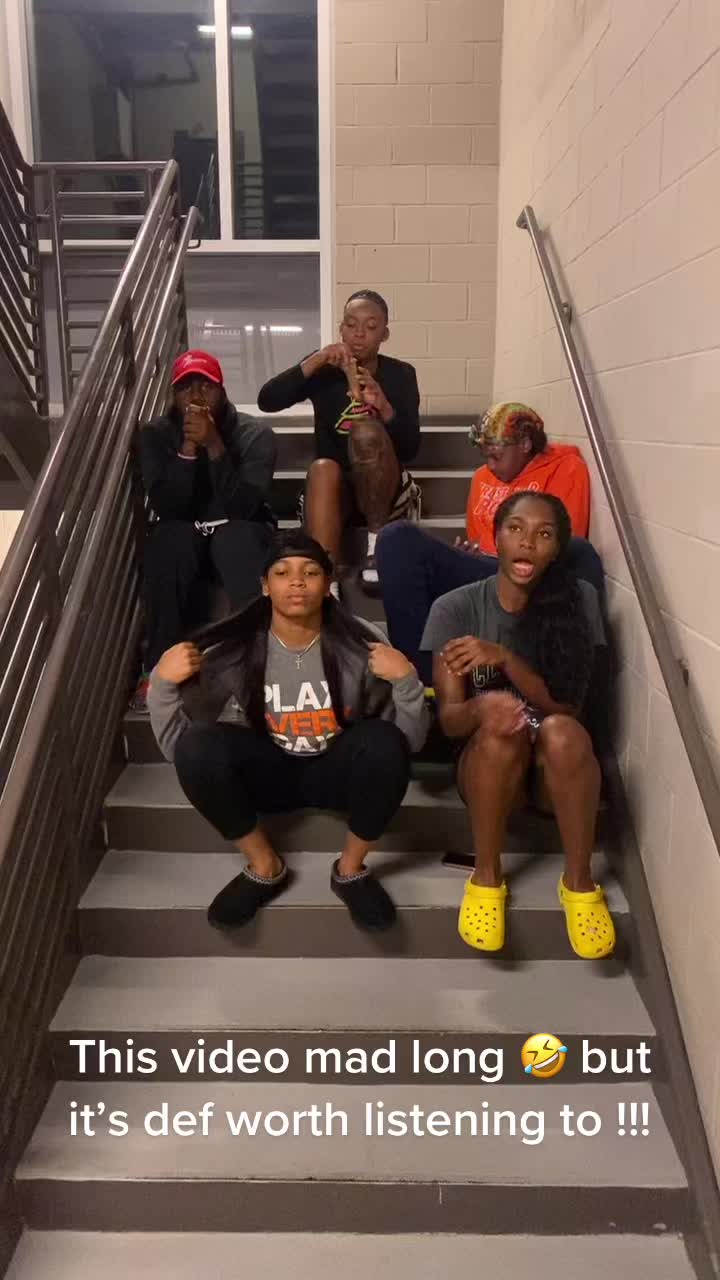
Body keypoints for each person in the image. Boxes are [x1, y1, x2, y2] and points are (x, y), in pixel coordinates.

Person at [147, 531, 429, 932]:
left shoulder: (361, 641)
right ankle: (265, 864)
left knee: (383, 742)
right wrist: (161, 684)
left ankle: (350, 870)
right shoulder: (239, 648)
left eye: (310, 572)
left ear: (327, 585)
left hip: (337, 772)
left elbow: (408, 744)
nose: (297, 581)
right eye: (282, 573)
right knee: (198, 747)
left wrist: (406, 682)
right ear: (265, 586)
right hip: (271, 774)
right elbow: (182, 752)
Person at [421, 491, 615, 961]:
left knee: (563, 731)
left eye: (543, 534)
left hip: (553, 776)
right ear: (497, 538)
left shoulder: (578, 600)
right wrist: (483, 708)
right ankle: (486, 878)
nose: (527, 543)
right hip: (490, 772)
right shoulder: (455, 608)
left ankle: (579, 883)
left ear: (557, 548)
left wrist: (505, 659)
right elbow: (450, 721)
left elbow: (568, 708)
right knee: (501, 733)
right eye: (515, 529)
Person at [376, 402, 602, 684]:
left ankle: (423, 679)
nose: (490, 466)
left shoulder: (565, 469)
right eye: (486, 457)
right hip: (487, 571)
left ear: (525, 444)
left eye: (496, 456)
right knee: (396, 542)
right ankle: (418, 677)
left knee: (398, 538)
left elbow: (564, 542)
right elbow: (480, 540)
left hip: (529, 575)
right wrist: (465, 555)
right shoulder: (482, 477)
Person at [134, 350, 277, 708]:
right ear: (173, 396)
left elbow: (244, 507)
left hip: (240, 531)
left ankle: (255, 666)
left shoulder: (254, 434)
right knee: (167, 539)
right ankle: (159, 669)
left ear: (222, 392)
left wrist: (214, 444)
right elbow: (169, 508)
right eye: (185, 389)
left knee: (236, 538)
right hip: (187, 538)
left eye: (206, 387)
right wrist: (188, 449)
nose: (195, 397)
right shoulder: (156, 435)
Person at [257, 290, 420, 591]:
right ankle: (325, 578)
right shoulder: (323, 372)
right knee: (322, 468)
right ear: (341, 329)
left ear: (384, 334)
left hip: (383, 489)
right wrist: (315, 360)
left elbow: (410, 449)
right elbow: (267, 401)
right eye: (351, 324)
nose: (359, 334)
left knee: (365, 432)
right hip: (334, 493)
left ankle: (376, 547)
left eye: (371, 327)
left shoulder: (400, 374)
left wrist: (384, 406)